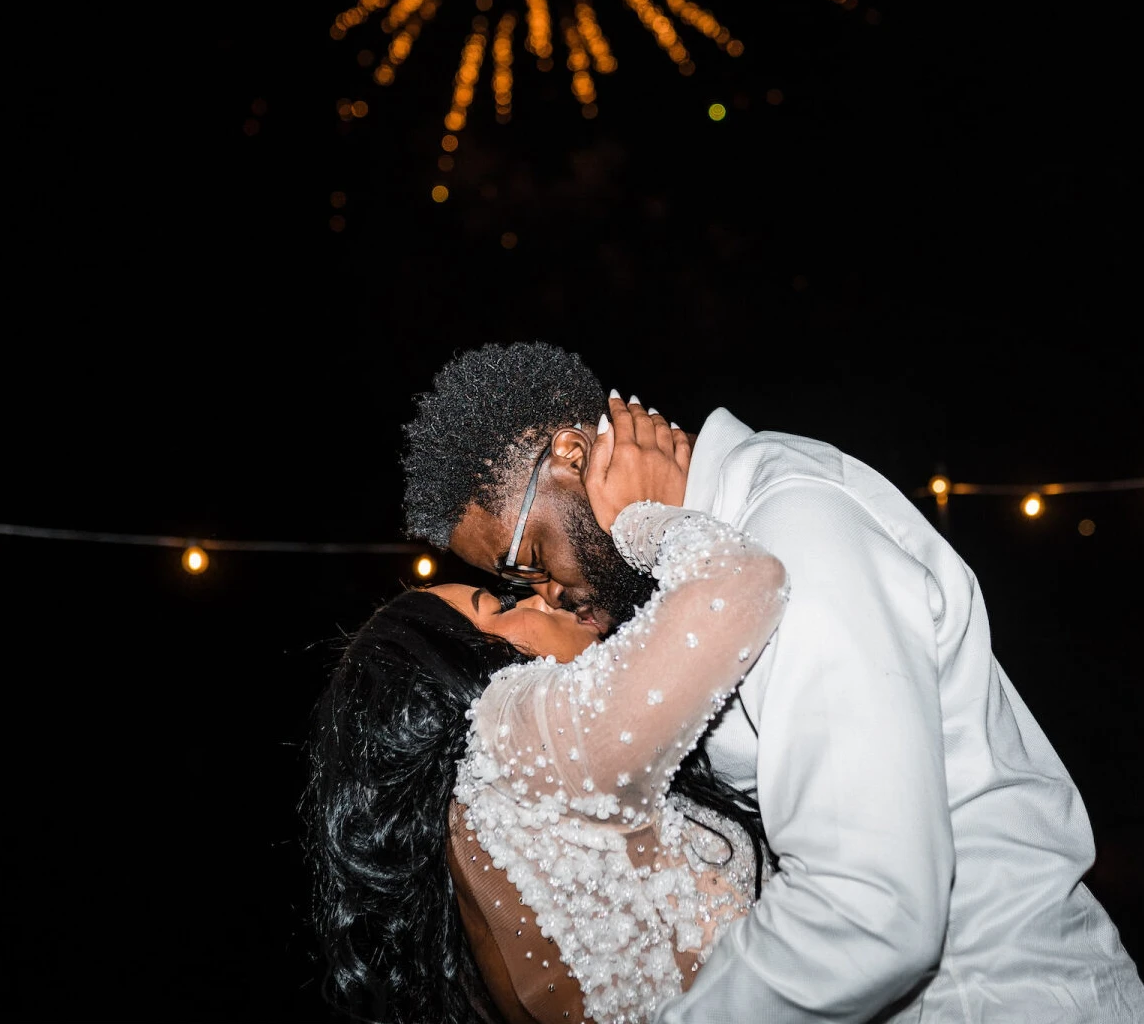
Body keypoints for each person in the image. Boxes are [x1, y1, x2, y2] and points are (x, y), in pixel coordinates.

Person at [400, 343, 1144, 1024]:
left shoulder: (793, 527)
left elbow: (868, 911)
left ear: (572, 452)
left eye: (528, 556)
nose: (546, 594)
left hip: (999, 996)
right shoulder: (693, 574)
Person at [305, 405, 787, 1024]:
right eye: (498, 602)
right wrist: (643, 516)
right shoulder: (511, 732)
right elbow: (743, 582)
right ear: (467, 672)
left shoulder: (491, 809)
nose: (542, 594)